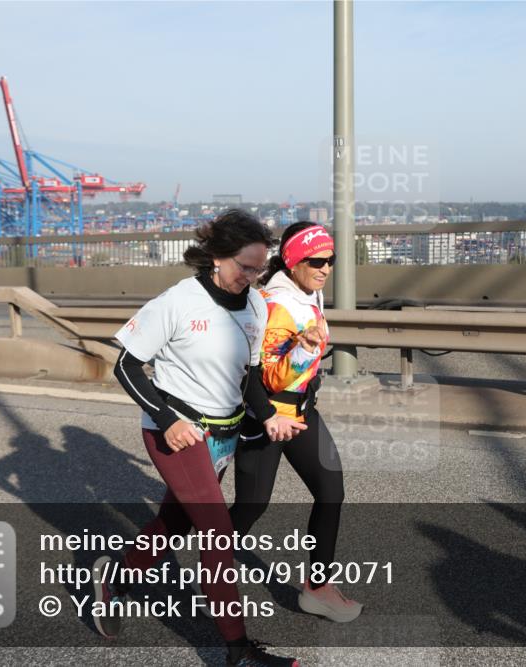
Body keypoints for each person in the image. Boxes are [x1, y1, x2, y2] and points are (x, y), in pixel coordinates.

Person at [96, 209, 305, 666]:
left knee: (175, 523)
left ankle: (117, 578)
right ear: (216, 257)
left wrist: (268, 415)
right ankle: (237, 650)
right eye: (244, 268)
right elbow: (126, 367)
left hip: (225, 434)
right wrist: (165, 418)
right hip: (177, 432)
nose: (251, 278)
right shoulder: (178, 302)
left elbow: (248, 376)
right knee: (217, 533)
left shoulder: (255, 305)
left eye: (259, 269)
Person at [229, 222, 363, 623]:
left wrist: (309, 359)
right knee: (251, 507)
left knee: (331, 491)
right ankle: (210, 565)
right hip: (266, 419)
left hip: (303, 413)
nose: (325, 268)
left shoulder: (309, 294)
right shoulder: (275, 305)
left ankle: (318, 588)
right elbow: (266, 377)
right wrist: (304, 353)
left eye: (330, 260)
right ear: (293, 262)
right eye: (316, 261)